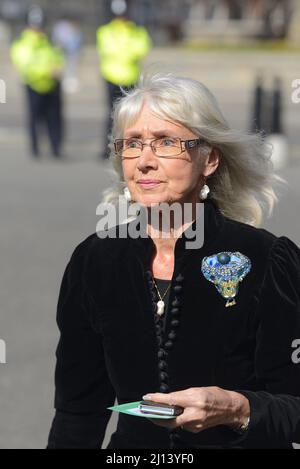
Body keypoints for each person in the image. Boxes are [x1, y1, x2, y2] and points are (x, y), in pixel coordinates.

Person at [47, 72, 300, 449]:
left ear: (209, 159)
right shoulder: (95, 260)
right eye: (132, 143)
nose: (144, 161)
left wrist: (238, 408)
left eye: (166, 142)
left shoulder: (267, 259)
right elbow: (77, 413)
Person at [96, 0, 151, 160]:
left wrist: (123, 53)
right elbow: (109, 49)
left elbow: (141, 49)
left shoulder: (136, 31)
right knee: (112, 115)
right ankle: (108, 148)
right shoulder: (105, 31)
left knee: (132, 116)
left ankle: (130, 146)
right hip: (112, 77)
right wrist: (127, 52)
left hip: (130, 78)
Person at [11, 5, 65, 158]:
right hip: (34, 85)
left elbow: (57, 57)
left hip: (52, 84)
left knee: (54, 119)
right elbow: (25, 65)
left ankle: (56, 148)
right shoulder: (22, 43)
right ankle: (35, 149)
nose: (38, 28)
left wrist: (58, 67)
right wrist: (46, 72)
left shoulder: (49, 41)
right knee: (35, 118)